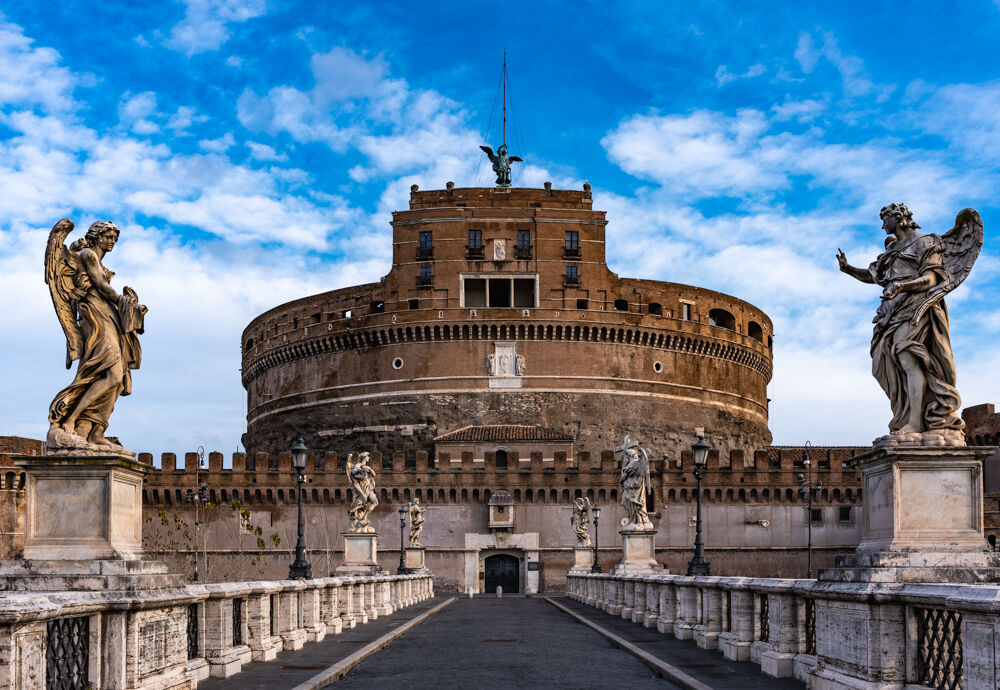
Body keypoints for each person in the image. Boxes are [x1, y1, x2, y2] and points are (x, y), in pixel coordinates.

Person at [837, 203, 979, 445]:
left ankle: (915, 422)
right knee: (883, 365)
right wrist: (848, 269)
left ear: (898, 217)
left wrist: (903, 286)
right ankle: (906, 419)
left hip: (917, 306)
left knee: (908, 357)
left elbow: (932, 278)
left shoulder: (925, 242)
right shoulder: (893, 249)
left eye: (885, 220)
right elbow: (876, 277)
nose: (883, 225)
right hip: (891, 311)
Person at [46, 219, 145, 451]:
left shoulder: (97, 260)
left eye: (115, 238)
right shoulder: (88, 255)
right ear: (96, 235)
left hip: (108, 314)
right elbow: (100, 286)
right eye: (108, 236)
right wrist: (124, 301)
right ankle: (70, 419)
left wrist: (130, 306)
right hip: (95, 315)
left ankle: (96, 431)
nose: (112, 242)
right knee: (109, 370)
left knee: (119, 378)